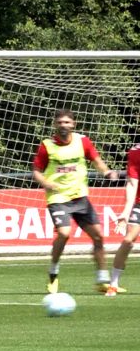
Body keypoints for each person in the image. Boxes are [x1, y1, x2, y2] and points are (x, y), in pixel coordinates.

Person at [31, 109, 119, 294]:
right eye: (60, 122)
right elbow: (36, 172)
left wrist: (107, 172)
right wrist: (46, 183)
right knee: (64, 233)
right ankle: (53, 273)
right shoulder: (47, 146)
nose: (64, 125)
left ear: (73, 124)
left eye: (67, 122)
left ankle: (102, 280)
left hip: (80, 197)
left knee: (98, 236)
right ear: (55, 124)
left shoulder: (82, 141)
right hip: (58, 198)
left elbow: (97, 160)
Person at [108, 143, 139, 296]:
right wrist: (126, 213)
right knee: (128, 240)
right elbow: (132, 184)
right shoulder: (136, 151)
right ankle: (113, 284)